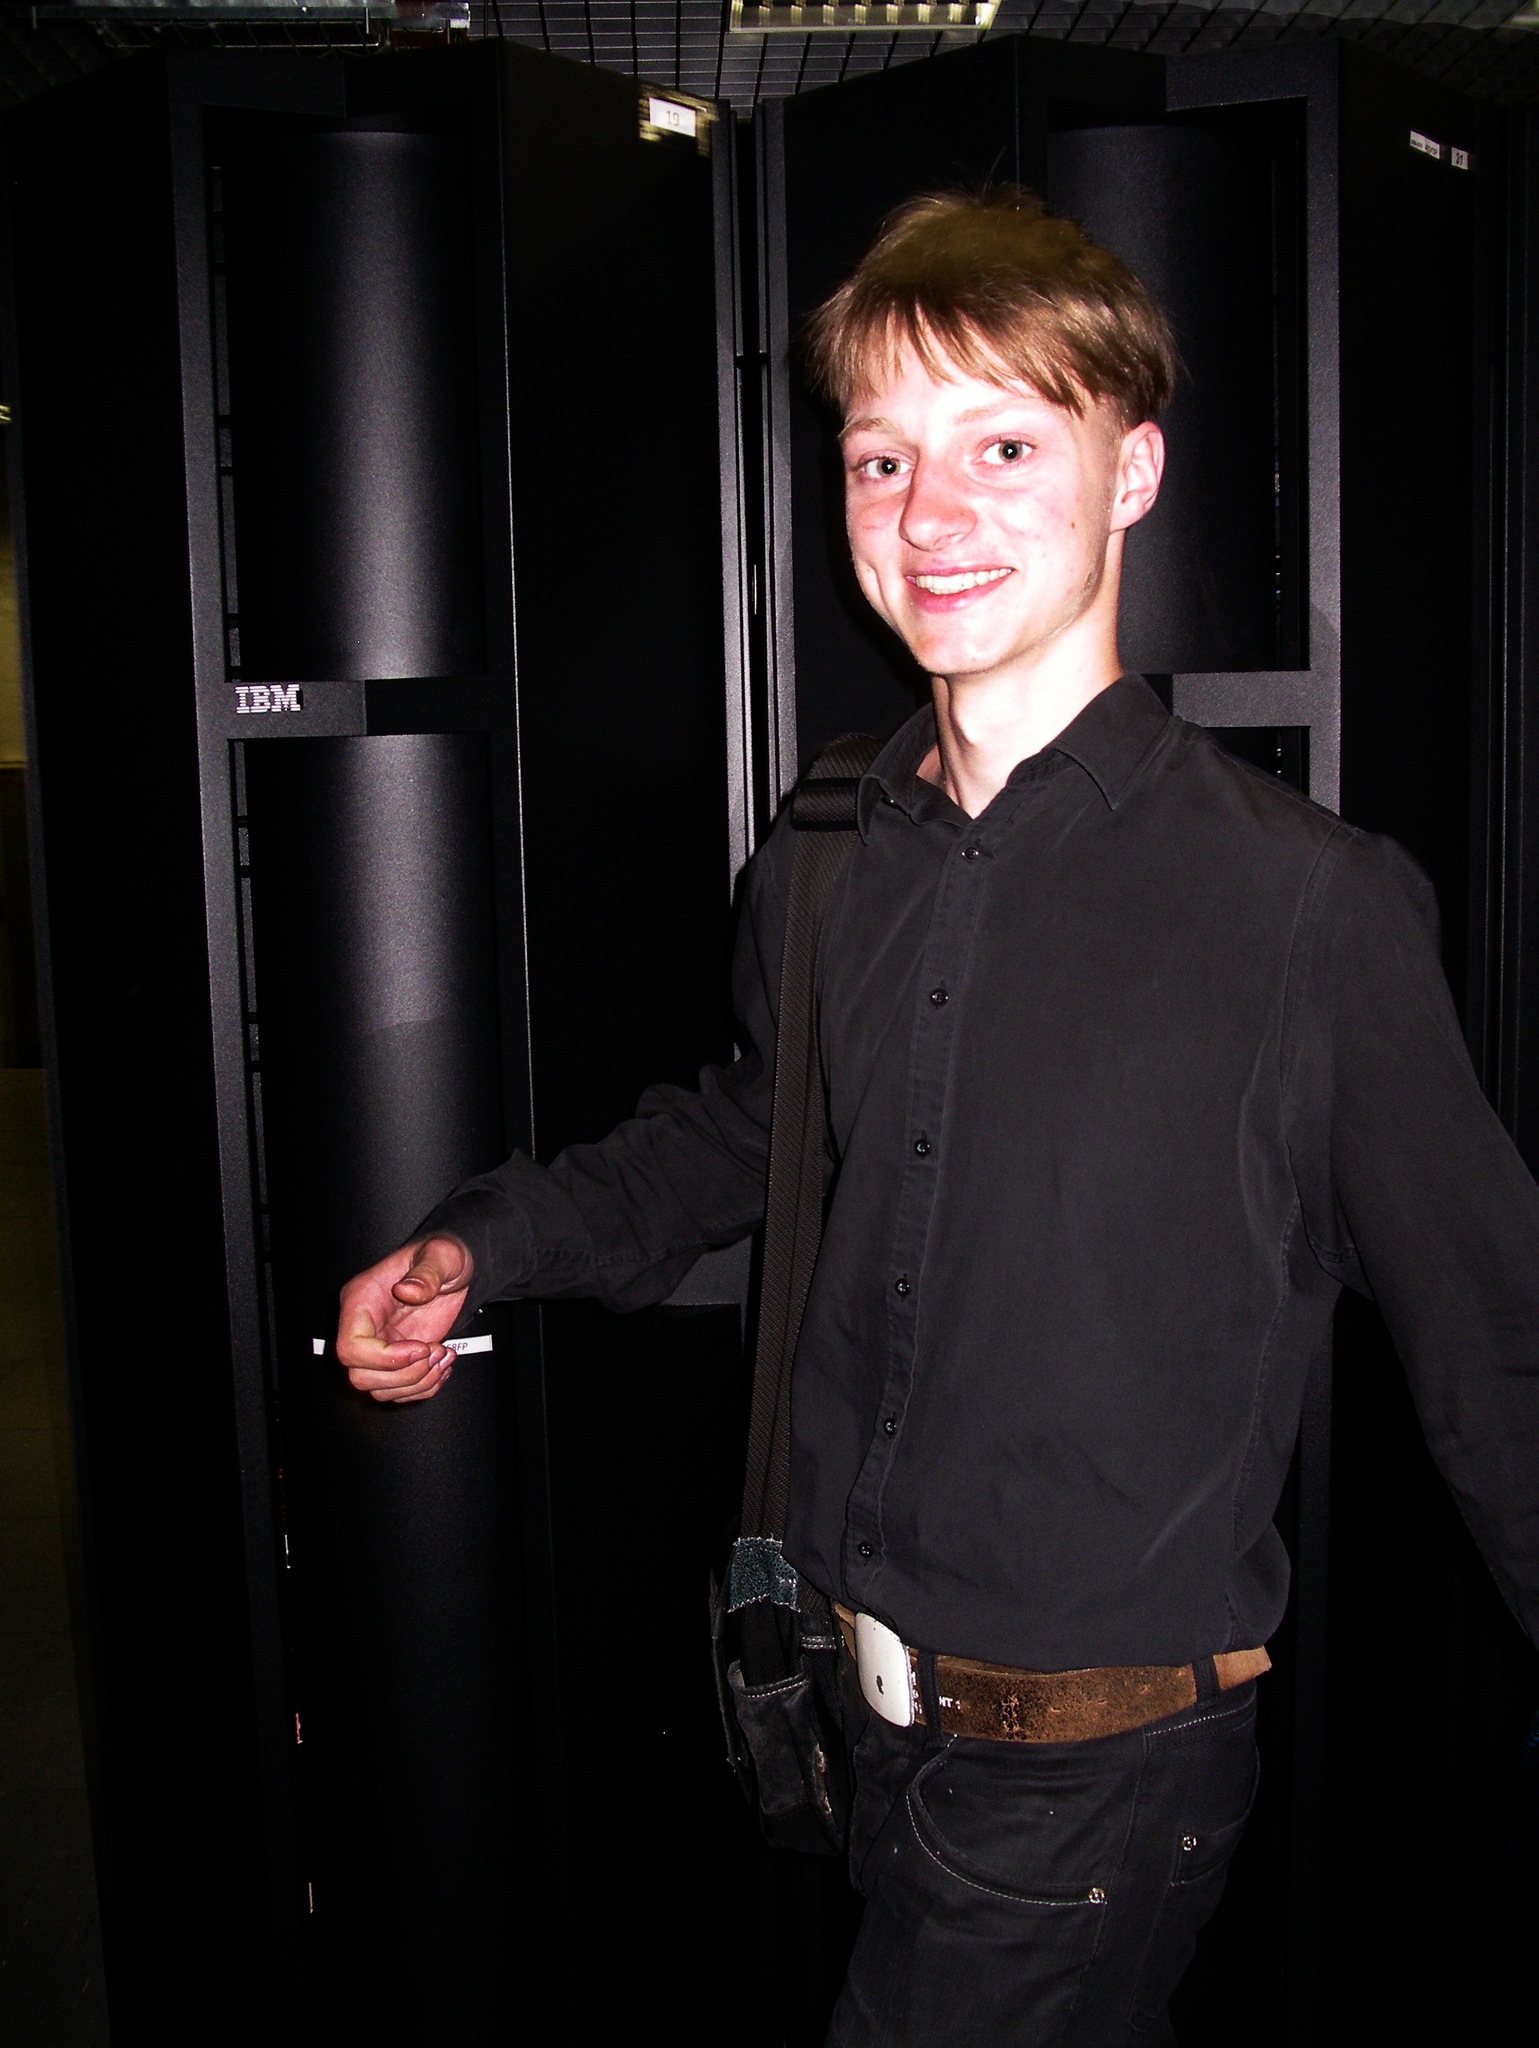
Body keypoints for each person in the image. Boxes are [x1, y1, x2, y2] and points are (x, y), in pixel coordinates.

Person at [335, 190, 1539, 2044]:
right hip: (852, 1722)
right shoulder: (832, 848)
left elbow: (1496, 1351)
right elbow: (752, 1132)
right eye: (881, 458)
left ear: (1134, 472)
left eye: (1005, 446)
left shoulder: (1310, 907)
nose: (929, 515)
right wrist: (480, 1241)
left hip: (1088, 1787)